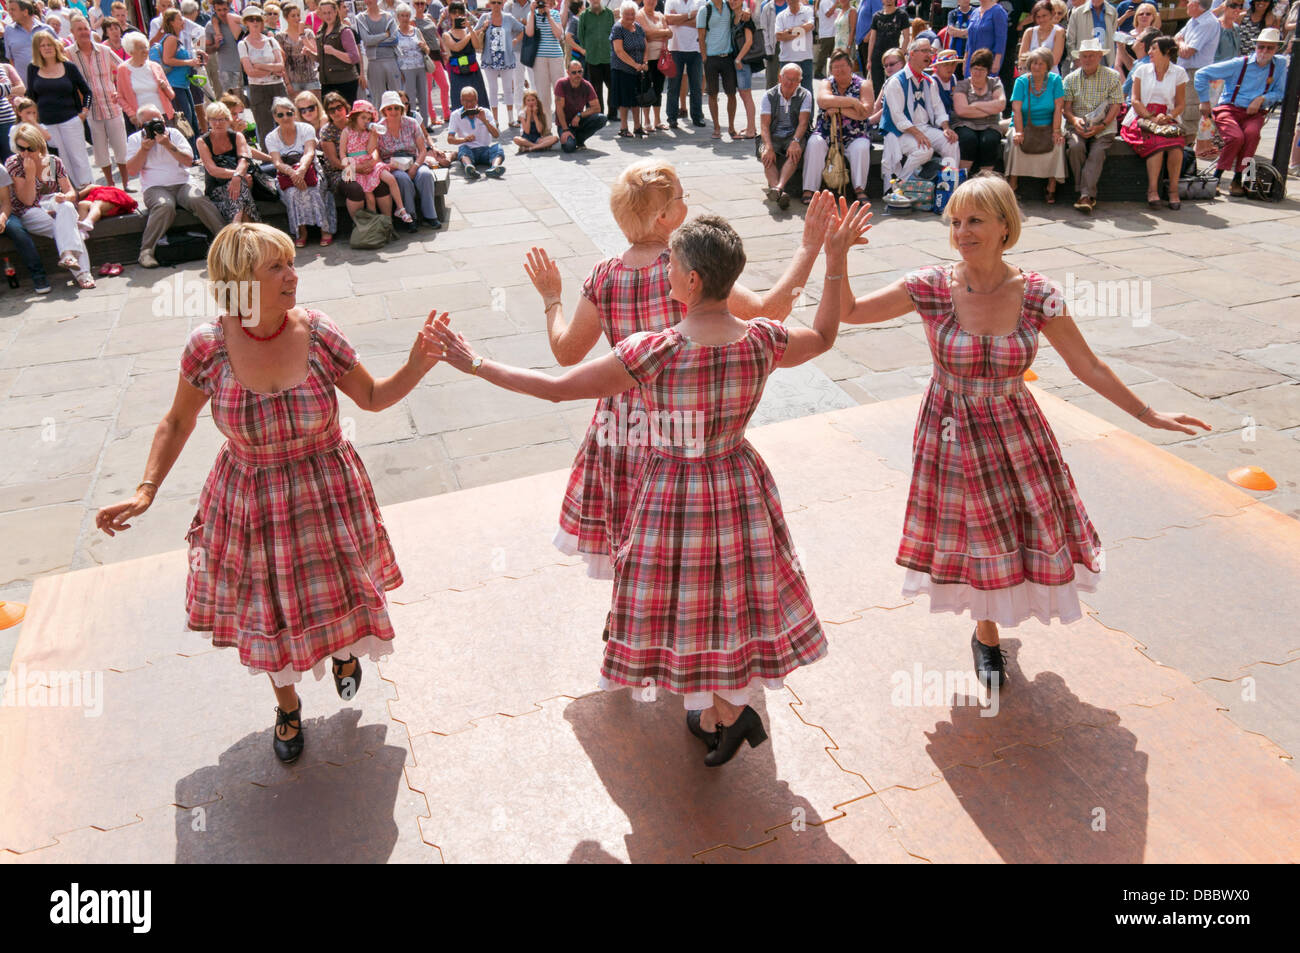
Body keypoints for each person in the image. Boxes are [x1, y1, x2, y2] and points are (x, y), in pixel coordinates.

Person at [425, 205, 861, 765]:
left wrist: (477, 363)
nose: (666, 272)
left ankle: (728, 712)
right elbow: (824, 335)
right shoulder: (762, 341)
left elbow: (558, 387)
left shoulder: (654, 350)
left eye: (673, 265)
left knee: (683, 599)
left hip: (673, 492)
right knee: (731, 596)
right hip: (738, 482)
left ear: (693, 280)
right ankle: (720, 708)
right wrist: (833, 257)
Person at [832, 174, 1210, 690]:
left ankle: (995, 620)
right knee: (974, 534)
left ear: (1005, 225)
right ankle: (985, 634)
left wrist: (1147, 414)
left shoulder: (1038, 295)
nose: (962, 232)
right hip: (950, 429)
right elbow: (850, 314)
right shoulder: (929, 286)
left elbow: (1088, 365)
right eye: (956, 222)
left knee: (1014, 528)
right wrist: (836, 257)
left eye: (975, 221)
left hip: (1015, 427)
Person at [95, 223, 444, 764]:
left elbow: (373, 396)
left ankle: (344, 653)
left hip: (326, 491)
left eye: (290, 261)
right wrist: (145, 491)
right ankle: (286, 706)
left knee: (338, 591)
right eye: (276, 267)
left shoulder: (320, 331)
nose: (292, 274)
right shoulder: (207, 347)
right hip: (251, 502)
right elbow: (177, 421)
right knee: (270, 613)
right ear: (240, 282)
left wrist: (418, 363)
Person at [521, 159, 825, 584]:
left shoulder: (604, 276)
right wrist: (808, 249)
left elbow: (567, 351)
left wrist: (552, 297)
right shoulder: (685, 268)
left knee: (633, 541)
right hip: (680, 425)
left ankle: (630, 616)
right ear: (662, 216)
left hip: (621, 428)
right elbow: (769, 311)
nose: (688, 203)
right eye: (681, 197)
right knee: (684, 546)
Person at [127, 104, 225, 267]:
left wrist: (168, 144)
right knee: (164, 205)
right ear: (141, 125)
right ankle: (146, 251)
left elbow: (188, 161)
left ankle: (225, 239)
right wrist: (144, 150)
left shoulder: (174, 134)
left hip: (182, 182)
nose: (155, 125)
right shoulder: (135, 139)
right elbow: (131, 170)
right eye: (149, 122)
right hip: (154, 187)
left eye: (158, 120)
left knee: (197, 199)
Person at [1195, 27, 1288, 196]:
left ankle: (1238, 177)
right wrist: (1204, 100)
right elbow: (1202, 74)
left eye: (1270, 48)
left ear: (1277, 49)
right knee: (1235, 137)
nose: (1264, 51)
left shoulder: (1279, 64)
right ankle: (1217, 175)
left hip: (1255, 112)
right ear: (1255, 46)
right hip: (1229, 108)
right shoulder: (1240, 64)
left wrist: (1262, 99)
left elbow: (1281, 92)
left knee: (1252, 135)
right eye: (1261, 47)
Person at [6, 122, 94, 287]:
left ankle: (68, 255)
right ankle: (83, 273)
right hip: (28, 212)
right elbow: (27, 200)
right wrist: (30, 175)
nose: (25, 153)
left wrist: (64, 197)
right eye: (20, 148)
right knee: (68, 228)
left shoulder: (53, 162)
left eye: (29, 149)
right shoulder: (14, 163)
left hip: (55, 207)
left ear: (39, 145)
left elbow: (71, 193)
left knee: (67, 208)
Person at [1119, 34, 1187, 209]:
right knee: (1156, 144)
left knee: (1176, 146)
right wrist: (1150, 117)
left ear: (1166, 52)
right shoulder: (1142, 70)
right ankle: (1152, 191)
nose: (1149, 52)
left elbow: (1180, 104)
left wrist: (1169, 117)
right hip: (1142, 116)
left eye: (1154, 49)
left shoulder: (1179, 73)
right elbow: (1135, 100)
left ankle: (1173, 190)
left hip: (1166, 117)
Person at [879, 38, 960, 184]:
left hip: (924, 128)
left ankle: (949, 186)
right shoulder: (895, 81)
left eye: (930, 51)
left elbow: (938, 108)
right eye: (924, 51)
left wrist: (946, 128)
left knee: (951, 142)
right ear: (912, 54)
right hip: (899, 132)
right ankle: (899, 185)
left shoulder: (930, 81)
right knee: (924, 150)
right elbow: (898, 117)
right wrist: (917, 134)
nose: (928, 55)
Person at [25, 30, 94, 190]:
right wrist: (34, 123)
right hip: (46, 124)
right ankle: (63, 193)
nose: (47, 48)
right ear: (38, 49)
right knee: (53, 160)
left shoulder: (68, 67)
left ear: (55, 46)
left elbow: (87, 92)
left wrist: (84, 113)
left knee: (79, 159)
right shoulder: (33, 68)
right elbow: (31, 97)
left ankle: (87, 190)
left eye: (50, 44)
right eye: (43, 46)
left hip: (71, 120)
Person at [67, 14, 131, 190]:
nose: (83, 32)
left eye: (86, 28)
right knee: (100, 150)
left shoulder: (104, 50)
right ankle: (110, 184)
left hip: (111, 104)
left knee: (120, 146)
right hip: (90, 109)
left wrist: (120, 91)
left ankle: (126, 184)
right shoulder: (69, 54)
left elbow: (124, 68)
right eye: (79, 29)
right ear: (72, 32)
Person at [266, 94, 337, 244]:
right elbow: (277, 162)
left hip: (311, 169)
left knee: (315, 189)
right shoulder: (271, 137)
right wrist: (293, 174)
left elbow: (310, 152)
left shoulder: (306, 128)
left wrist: (301, 170)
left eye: (289, 113)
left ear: (294, 113)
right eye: (280, 114)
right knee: (292, 193)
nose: (285, 117)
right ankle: (301, 233)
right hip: (286, 174)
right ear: (274, 117)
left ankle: (324, 229)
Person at [803, 48, 873, 201]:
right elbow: (823, 101)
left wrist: (837, 108)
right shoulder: (826, 83)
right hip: (827, 131)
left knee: (861, 147)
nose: (839, 70)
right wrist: (853, 102)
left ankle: (860, 189)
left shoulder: (863, 84)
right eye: (835, 67)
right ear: (831, 70)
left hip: (856, 133)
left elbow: (865, 112)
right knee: (814, 144)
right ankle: (809, 189)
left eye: (843, 66)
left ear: (851, 66)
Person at [1061, 37, 1121, 213]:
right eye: (1084, 56)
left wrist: (1102, 125)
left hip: (1104, 126)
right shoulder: (1070, 79)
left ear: (1099, 56)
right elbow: (1067, 108)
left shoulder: (1112, 76)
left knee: (1097, 152)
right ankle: (1085, 194)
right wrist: (1074, 121)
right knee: (1075, 147)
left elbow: (1116, 105)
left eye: (1091, 56)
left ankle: (1084, 194)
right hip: (1078, 125)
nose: (1087, 59)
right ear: (1079, 58)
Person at [375, 89, 442, 227]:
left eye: (396, 108)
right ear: (384, 111)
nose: (393, 111)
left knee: (425, 175)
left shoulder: (412, 123)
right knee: (402, 179)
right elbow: (375, 154)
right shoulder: (379, 128)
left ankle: (430, 216)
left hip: (413, 160)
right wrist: (386, 167)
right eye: (389, 108)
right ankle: (411, 216)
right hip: (392, 164)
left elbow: (422, 150)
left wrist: (416, 166)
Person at [1007, 46, 1065, 202]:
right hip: (1023, 123)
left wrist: (1056, 131)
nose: (1037, 67)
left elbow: (1059, 107)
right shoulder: (1021, 82)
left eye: (1041, 64)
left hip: (1049, 124)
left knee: (1058, 143)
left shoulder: (1055, 81)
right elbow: (1017, 109)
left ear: (1047, 65)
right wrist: (1019, 131)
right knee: (1015, 142)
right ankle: (1013, 184)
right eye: (1034, 63)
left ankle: (1051, 187)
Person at [340, 97, 414, 215]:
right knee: (370, 199)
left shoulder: (368, 132)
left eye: (369, 119)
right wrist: (349, 169)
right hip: (353, 165)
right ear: (355, 117)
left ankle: (400, 208)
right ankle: (374, 224)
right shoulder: (347, 131)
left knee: (390, 178)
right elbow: (342, 152)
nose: (366, 121)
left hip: (369, 163)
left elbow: (370, 150)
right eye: (363, 118)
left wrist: (374, 136)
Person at [196, 99, 260, 225]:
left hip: (239, 182)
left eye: (222, 119)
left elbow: (244, 159)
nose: (217, 123)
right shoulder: (202, 141)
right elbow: (212, 170)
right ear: (208, 120)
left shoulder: (237, 136)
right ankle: (248, 228)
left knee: (239, 190)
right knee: (241, 191)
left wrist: (237, 177)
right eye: (213, 119)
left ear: (228, 120)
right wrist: (237, 175)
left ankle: (236, 230)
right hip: (217, 186)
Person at [759, 60, 812, 205]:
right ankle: (780, 191)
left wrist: (795, 141)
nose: (790, 83)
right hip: (774, 133)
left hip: (793, 133)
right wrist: (768, 146)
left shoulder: (805, 94)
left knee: (795, 153)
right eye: (788, 79)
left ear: (800, 81)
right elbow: (764, 125)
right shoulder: (769, 96)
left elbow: (803, 122)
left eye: (795, 80)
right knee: (767, 155)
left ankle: (778, 188)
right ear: (780, 78)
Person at [0, 159, 52, 292]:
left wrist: (2, 218)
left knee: (18, 231)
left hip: (4, 215)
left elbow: (6, 203)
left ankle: (39, 276)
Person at [239, 7, 289, 144]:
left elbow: (281, 65)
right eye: (251, 19)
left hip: (277, 86)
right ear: (246, 23)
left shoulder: (271, 41)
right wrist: (273, 70)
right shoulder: (243, 44)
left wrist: (261, 66)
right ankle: (269, 159)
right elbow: (250, 72)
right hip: (258, 88)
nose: (254, 22)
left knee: (285, 122)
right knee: (264, 126)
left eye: (257, 19)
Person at [476, 0, 526, 127]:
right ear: (489, 4)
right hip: (489, 59)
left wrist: (515, 40)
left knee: (508, 89)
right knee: (493, 90)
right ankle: (495, 120)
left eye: (499, 2)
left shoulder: (508, 18)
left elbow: (522, 29)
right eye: (494, 2)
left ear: (502, 4)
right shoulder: (484, 17)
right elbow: (473, 33)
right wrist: (484, 27)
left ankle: (511, 119)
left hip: (507, 59)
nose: (497, 5)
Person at [159, 8, 204, 150]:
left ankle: (195, 152)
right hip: (175, 85)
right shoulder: (171, 39)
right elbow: (167, 59)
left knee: (192, 119)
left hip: (183, 84)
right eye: (179, 19)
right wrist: (189, 62)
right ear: (171, 22)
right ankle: (188, 152)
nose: (182, 21)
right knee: (184, 120)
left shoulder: (177, 38)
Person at [447, 85, 506, 176]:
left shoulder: (486, 112)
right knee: (462, 149)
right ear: (461, 101)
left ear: (476, 100)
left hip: (485, 149)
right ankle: (469, 167)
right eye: (466, 101)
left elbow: (496, 135)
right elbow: (450, 139)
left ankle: (495, 168)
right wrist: (464, 139)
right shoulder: (455, 115)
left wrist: (484, 120)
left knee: (498, 148)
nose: (469, 104)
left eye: (472, 101)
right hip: (468, 150)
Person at [553, 55, 610, 149]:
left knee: (601, 118)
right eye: (574, 72)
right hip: (564, 124)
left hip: (578, 121)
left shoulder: (586, 85)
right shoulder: (561, 84)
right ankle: (571, 137)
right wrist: (565, 129)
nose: (577, 75)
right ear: (568, 73)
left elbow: (597, 108)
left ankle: (579, 139)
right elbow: (559, 109)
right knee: (569, 147)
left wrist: (579, 115)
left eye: (579, 71)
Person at [697, 0, 735, 136]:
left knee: (731, 93)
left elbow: (741, 11)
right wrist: (704, 58)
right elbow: (701, 37)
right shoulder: (704, 10)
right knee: (712, 94)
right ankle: (717, 127)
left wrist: (747, 12)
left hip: (728, 56)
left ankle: (731, 127)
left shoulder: (729, 6)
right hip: (711, 58)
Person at [443, 1, 491, 106]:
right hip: (457, 72)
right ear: (450, 14)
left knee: (480, 100)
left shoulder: (470, 31)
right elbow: (456, 47)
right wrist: (469, 34)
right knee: (459, 101)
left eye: (460, 12)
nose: (457, 15)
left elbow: (477, 45)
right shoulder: (447, 34)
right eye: (454, 12)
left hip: (473, 71)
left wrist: (470, 29)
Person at [612, 0, 649, 136]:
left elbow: (645, 46)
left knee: (636, 99)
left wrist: (645, 62)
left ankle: (638, 126)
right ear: (622, 14)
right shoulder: (618, 28)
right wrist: (635, 65)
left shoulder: (638, 27)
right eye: (627, 14)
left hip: (638, 70)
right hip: (622, 69)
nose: (630, 17)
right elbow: (619, 51)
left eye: (632, 14)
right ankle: (623, 128)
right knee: (624, 100)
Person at [527, 0, 568, 115]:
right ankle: (546, 127)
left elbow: (558, 34)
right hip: (539, 57)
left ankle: (562, 122)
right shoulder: (531, 14)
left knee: (560, 91)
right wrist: (532, 12)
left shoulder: (554, 14)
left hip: (555, 56)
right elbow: (529, 33)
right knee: (543, 94)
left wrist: (549, 16)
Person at [316, 0, 362, 102]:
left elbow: (354, 57)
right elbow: (321, 58)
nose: (327, 16)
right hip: (327, 82)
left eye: (330, 12)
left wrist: (334, 51)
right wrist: (309, 53)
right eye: (324, 13)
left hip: (345, 81)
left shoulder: (344, 31)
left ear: (336, 12)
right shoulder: (321, 32)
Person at [580, 0, 618, 120]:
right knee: (596, 88)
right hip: (593, 56)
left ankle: (612, 114)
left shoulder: (609, 14)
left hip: (608, 56)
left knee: (612, 86)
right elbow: (581, 35)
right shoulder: (584, 15)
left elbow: (613, 32)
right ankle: (599, 114)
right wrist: (587, 49)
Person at [413, 0, 450, 125]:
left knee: (444, 86)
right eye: (417, 3)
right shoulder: (413, 21)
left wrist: (444, 49)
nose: (420, 6)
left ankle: (447, 115)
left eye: (422, 3)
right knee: (427, 90)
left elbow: (436, 34)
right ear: (413, 5)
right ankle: (433, 118)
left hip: (436, 54)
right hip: (425, 57)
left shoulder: (428, 17)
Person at [637, 0, 671, 129]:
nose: (651, 1)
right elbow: (645, 34)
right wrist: (663, 33)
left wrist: (655, 34)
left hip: (661, 58)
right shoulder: (639, 15)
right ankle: (646, 120)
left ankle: (657, 120)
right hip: (645, 58)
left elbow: (670, 34)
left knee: (658, 87)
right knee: (645, 87)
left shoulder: (661, 15)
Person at [864, 0, 909, 95]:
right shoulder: (876, 16)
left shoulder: (901, 15)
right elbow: (872, 39)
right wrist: (869, 59)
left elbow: (906, 37)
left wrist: (901, 55)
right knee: (877, 87)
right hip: (877, 56)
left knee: (893, 85)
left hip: (893, 57)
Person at [730, 0, 760, 137]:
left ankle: (751, 129)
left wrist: (738, 58)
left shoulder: (745, 18)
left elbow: (749, 41)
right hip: (736, 61)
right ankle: (750, 126)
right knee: (743, 94)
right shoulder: (732, 16)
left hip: (743, 61)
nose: (732, 2)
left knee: (746, 94)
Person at [4, 1, 57, 79]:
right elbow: (11, 60)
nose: (10, 13)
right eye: (9, 10)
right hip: (26, 86)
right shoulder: (9, 31)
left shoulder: (46, 30)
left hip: (50, 82)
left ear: (25, 12)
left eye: (13, 9)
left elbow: (59, 54)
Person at [205, 0, 245, 98]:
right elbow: (207, 49)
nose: (222, 13)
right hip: (223, 69)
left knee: (239, 101)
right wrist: (216, 45)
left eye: (225, 9)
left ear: (229, 8)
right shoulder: (210, 26)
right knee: (225, 100)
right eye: (219, 10)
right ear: (214, 10)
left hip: (239, 67)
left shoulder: (237, 22)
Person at [281, 2, 321, 95]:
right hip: (293, 80)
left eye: (298, 15)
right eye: (293, 16)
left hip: (311, 78)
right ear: (286, 18)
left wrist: (302, 35)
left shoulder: (308, 33)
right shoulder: (281, 36)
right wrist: (287, 83)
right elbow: (282, 62)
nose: (297, 18)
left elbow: (315, 51)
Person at [774, 0, 815, 91]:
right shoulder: (781, 16)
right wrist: (801, 30)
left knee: (807, 91)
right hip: (787, 59)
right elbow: (779, 36)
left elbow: (809, 26)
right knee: (786, 91)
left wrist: (788, 31)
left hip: (805, 58)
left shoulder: (808, 10)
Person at [1065, 0, 1116, 69]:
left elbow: (1112, 34)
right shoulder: (1077, 13)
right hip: (1083, 58)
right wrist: (1075, 59)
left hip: (1104, 58)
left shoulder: (1112, 11)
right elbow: (1070, 39)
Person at [1176, 0, 1222, 76]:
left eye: (1189, 2)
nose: (1187, 5)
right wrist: (1182, 44)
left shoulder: (1208, 23)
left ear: (1195, 5)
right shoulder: (1193, 20)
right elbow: (1176, 37)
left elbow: (1187, 53)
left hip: (1195, 73)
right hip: (1185, 70)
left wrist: (1181, 43)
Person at [1019, 0, 1065, 73]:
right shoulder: (1029, 32)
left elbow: (1055, 60)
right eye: (1038, 17)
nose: (1041, 20)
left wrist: (1032, 59)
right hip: (1031, 76)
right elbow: (1022, 59)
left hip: (1051, 76)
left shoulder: (1059, 32)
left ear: (1052, 13)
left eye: (1044, 16)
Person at [962, 0, 1005, 76]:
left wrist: (997, 60)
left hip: (987, 61)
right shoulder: (974, 12)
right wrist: (965, 61)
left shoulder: (998, 11)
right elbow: (969, 40)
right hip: (971, 61)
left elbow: (1001, 38)